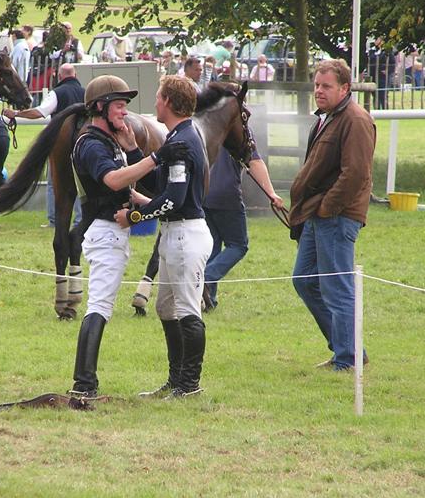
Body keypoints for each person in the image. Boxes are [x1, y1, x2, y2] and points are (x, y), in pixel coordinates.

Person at [115, 76, 213, 399]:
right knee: (166, 308)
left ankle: (190, 385)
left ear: (168, 102)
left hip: (186, 235)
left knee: (186, 309)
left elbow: (171, 198)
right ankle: (176, 381)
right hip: (175, 233)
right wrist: (132, 149)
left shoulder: (182, 144)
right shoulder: (179, 138)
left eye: (158, 97)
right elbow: (160, 185)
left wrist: (134, 216)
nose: (155, 103)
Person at [67, 75, 161, 398]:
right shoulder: (91, 144)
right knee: (99, 306)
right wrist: (153, 159)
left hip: (112, 231)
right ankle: (83, 384)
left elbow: (130, 190)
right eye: (119, 106)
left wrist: (162, 206)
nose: (124, 112)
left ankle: (85, 382)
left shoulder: (109, 141)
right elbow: (112, 180)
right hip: (103, 231)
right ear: (100, 108)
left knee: (101, 305)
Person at [288, 59, 375, 371]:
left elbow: (356, 174)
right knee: (304, 280)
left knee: (337, 287)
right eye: (316, 85)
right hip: (318, 214)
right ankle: (348, 349)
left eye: (326, 86)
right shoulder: (327, 117)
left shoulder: (356, 120)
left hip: (337, 216)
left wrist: (327, 207)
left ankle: (348, 359)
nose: (319, 91)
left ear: (345, 88)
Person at [3, 63, 84, 227]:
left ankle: (54, 219)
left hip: (60, 143)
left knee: (54, 182)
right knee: (79, 181)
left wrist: (16, 113)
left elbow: (40, 112)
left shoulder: (57, 93)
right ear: (75, 75)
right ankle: (79, 219)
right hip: (83, 142)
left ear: (59, 77)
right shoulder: (85, 92)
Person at [202, 145, 283, 311]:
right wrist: (271, 193)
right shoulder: (239, 129)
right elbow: (255, 162)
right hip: (227, 196)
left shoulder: (203, 125)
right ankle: (206, 279)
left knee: (214, 246)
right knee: (238, 245)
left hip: (204, 194)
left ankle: (208, 300)